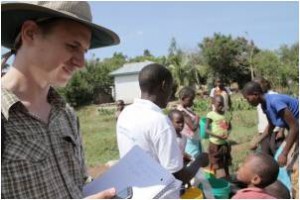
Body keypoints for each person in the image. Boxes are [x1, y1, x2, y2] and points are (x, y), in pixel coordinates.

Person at [1, 1, 120, 198]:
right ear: (30, 33)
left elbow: (78, 180)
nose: (81, 63)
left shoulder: (66, 115)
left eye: (84, 51)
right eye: (72, 46)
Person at [116, 63, 209, 193]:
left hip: (133, 191)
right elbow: (178, 177)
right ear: (164, 85)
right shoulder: (160, 121)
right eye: (171, 88)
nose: (171, 93)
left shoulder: (126, 113)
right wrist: (200, 160)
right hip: (157, 194)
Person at [242, 81, 299, 198]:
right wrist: (257, 140)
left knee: (293, 166)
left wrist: (285, 153)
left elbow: (294, 127)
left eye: (248, 98)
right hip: (295, 131)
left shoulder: (274, 101)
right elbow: (271, 126)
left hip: (296, 130)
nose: (247, 101)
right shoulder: (264, 105)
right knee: (281, 161)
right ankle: (287, 192)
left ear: (256, 94)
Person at [250, 77, 285, 156]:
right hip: (263, 132)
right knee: (266, 156)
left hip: (275, 131)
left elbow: (283, 114)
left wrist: (281, 130)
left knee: (278, 154)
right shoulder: (258, 97)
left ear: (264, 84)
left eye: (258, 85)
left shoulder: (273, 95)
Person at [205, 95, 232, 179]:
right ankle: (212, 177)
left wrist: (227, 131)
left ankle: (227, 176)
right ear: (213, 103)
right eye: (219, 104)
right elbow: (206, 129)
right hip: (214, 143)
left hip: (224, 142)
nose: (221, 106)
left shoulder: (226, 115)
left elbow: (229, 126)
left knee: (225, 159)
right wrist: (217, 136)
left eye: (222, 104)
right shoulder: (211, 115)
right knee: (214, 161)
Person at [177, 87, 202, 158]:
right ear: (183, 98)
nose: (192, 102)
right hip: (189, 142)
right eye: (190, 100)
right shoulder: (182, 111)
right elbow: (193, 127)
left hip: (194, 139)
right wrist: (197, 118)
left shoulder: (186, 109)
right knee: (193, 160)